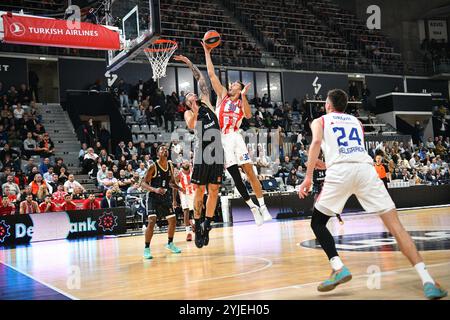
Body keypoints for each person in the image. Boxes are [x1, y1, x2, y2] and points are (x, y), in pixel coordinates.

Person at [298, 89, 447, 299]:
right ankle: (428, 280)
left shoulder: (320, 120)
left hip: (340, 172)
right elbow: (350, 150)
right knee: (396, 228)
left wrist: (308, 177)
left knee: (318, 223)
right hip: (365, 170)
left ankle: (338, 266)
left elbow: (315, 144)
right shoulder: (356, 123)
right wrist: (328, 163)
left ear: (328, 105)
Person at [201, 43, 271, 226]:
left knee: (249, 172)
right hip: (222, 140)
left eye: (234, 85)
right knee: (236, 177)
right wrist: (207, 53)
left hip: (235, 136)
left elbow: (248, 115)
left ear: (239, 90)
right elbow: (211, 75)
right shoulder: (222, 95)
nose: (231, 85)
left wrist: (245, 97)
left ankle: (263, 206)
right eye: (231, 84)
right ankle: (252, 207)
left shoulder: (241, 103)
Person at [175, 55, 224, 249]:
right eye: (187, 97)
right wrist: (193, 109)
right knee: (200, 190)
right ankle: (197, 222)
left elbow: (201, 80)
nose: (191, 95)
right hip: (202, 152)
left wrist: (188, 63)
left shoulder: (207, 102)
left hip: (217, 150)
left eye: (191, 94)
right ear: (187, 103)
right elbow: (191, 124)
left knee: (214, 190)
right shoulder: (189, 112)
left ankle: (207, 224)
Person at [140, 145, 182, 259]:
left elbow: (171, 183)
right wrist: (155, 189)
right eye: (162, 149)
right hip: (153, 196)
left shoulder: (170, 165)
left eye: (166, 149)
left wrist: (180, 188)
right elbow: (143, 183)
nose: (165, 150)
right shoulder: (153, 166)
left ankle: (170, 243)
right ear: (158, 153)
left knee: (173, 221)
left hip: (165, 196)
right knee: (152, 221)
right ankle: (147, 248)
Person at [177, 160, 196, 241]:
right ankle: (188, 233)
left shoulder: (194, 172)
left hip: (193, 193)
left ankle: (194, 224)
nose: (186, 163)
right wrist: (174, 200)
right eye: (184, 162)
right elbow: (174, 185)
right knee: (186, 211)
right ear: (181, 165)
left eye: (187, 162)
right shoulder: (179, 174)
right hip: (184, 194)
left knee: (196, 211)